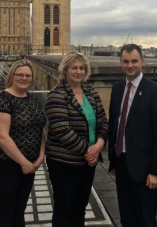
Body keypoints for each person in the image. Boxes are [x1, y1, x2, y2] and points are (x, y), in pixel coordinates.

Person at [108, 44, 157, 227]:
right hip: (122, 163)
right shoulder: (117, 88)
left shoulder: (155, 91)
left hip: (144, 169)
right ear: (120, 63)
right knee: (126, 217)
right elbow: (115, 125)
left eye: (134, 61)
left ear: (142, 61)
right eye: (126, 61)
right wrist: (113, 160)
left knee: (145, 219)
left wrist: (156, 171)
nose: (130, 65)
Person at [45, 52, 108, 227]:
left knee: (80, 206)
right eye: (74, 67)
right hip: (64, 162)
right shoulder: (57, 95)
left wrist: (99, 145)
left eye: (82, 68)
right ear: (65, 70)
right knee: (64, 209)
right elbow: (62, 130)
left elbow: (103, 122)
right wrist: (89, 151)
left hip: (88, 162)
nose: (78, 71)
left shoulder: (91, 92)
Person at [0, 59, 46, 227]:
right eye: (20, 75)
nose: (24, 78)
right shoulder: (3, 100)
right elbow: (2, 137)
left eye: (28, 75)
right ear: (12, 76)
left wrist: (41, 156)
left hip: (30, 164)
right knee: (6, 213)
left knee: (19, 210)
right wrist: (24, 163)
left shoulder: (33, 99)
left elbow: (40, 129)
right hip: (5, 164)